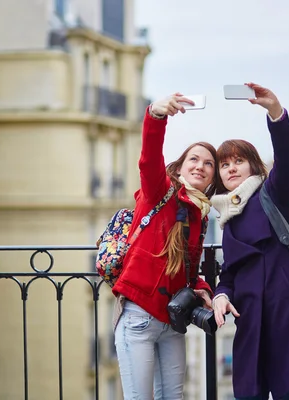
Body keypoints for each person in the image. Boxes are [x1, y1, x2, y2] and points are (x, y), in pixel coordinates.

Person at [210, 83, 289, 400]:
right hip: (251, 326)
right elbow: (231, 274)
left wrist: (275, 113)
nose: (231, 167)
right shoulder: (227, 215)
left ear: (252, 165)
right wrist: (221, 295)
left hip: (287, 319)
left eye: (238, 160)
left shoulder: (272, 194)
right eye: (224, 164)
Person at [112, 93, 217, 399]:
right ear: (181, 167)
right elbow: (148, 159)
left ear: (211, 177)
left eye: (209, 163)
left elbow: (187, 269)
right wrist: (156, 116)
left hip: (172, 322)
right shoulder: (160, 192)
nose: (201, 166)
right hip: (139, 315)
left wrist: (200, 287)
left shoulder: (200, 213)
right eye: (194, 159)